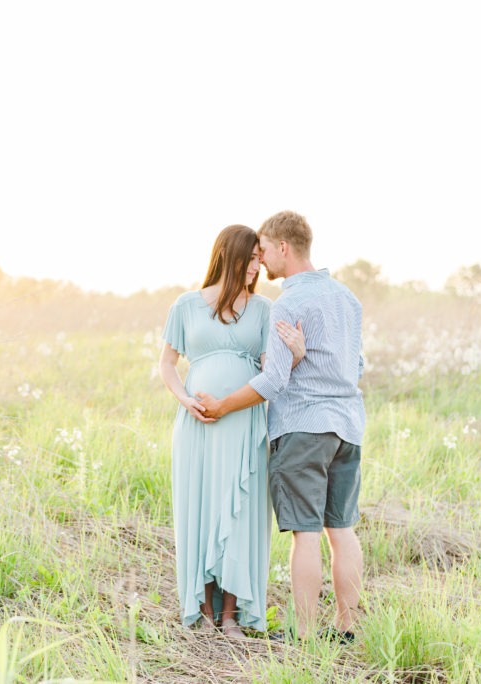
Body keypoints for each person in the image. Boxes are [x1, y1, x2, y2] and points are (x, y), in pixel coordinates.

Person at [196, 211, 366, 644]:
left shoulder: (289, 303)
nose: (263, 260)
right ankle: (346, 628)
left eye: (265, 250)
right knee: (341, 529)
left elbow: (274, 383)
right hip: (347, 428)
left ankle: (305, 635)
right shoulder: (348, 299)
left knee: (305, 534)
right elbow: (357, 365)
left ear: (284, 248)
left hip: (303, 428)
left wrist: (224, 405)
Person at [159, 224, 305, 638]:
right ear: (229, 256)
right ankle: (203, 611)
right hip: (197, 425)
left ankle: (230, 615)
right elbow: (167, 363)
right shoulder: (186, 305)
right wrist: (184, 399)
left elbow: (268, 369)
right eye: (252, 257)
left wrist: (295, 357)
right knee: (200, 508)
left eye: (261, 258)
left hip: (243, 423)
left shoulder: (263, 309)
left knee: (238, 511)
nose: (258, 266)